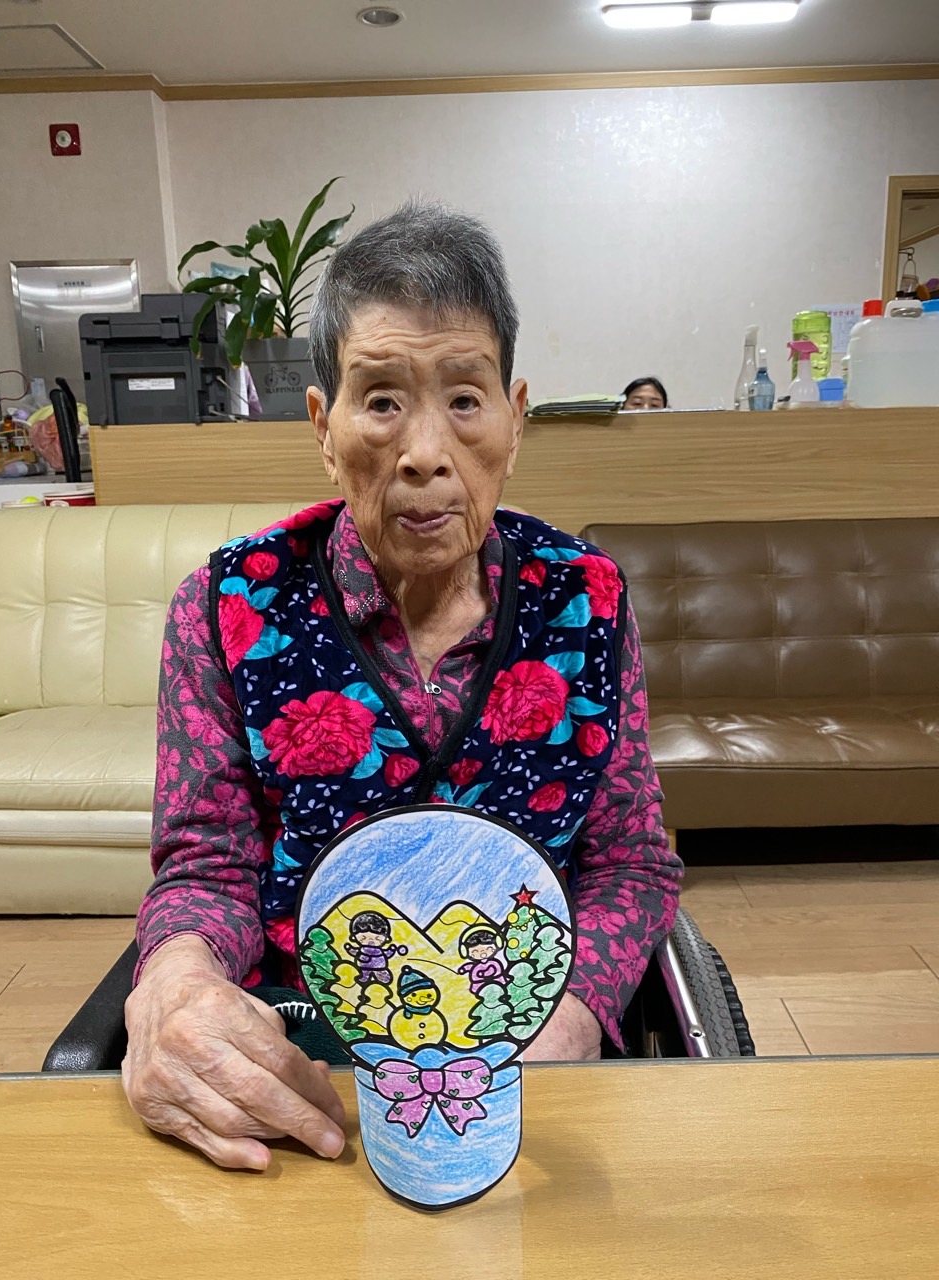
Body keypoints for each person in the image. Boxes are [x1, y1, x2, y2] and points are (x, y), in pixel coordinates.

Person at [123, 200, 683, 1171]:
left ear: (515, 417)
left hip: (532, 1057)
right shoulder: (228, 605)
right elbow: (208, 867)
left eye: (464, 399)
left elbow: (629, 863)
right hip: (307, 1067)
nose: (425, 451)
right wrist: (174, 980)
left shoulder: (585, 599)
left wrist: (574, 1014)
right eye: (382, 400)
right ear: (323, 426)